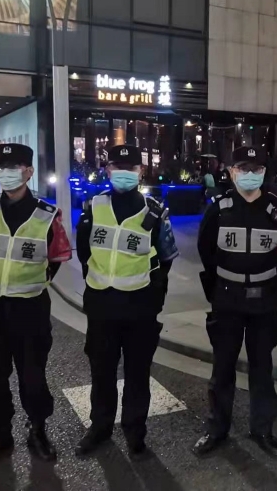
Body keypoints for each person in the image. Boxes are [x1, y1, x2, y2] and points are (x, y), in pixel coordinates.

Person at [0, 143, 72, 467]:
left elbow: (56, 258)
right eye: (1, 167)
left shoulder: (47, 215)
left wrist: (29, 281)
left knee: (33, 375)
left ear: (28, 172)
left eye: (14, 167)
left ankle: (37, 430)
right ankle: (1, 434)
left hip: (29, 309)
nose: (6, 173)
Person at [74, 144, 179, 458]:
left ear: (140, 172)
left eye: (130, 168)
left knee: (137, 374)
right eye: (117, 167)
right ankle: (100, 427)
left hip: (140, 309)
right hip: (102, 306)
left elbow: (166, 257)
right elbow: (84, 251)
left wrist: (151, 293)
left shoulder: (155, 212)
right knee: (101, 373)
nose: (123, 173)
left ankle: (135, 432)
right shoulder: (94, 206)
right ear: (108, 170)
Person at [193, 146, 277, 457]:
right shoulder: (219, 208)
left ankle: (263, 430)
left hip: (264, 301)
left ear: (264, 172)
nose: (249, 174)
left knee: (262, 369)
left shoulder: (276, 209)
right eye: (243, 168)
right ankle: (217, 429)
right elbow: (205, 250)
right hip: (227, 300)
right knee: (222, 369)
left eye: (255, 169)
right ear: (232, 172)